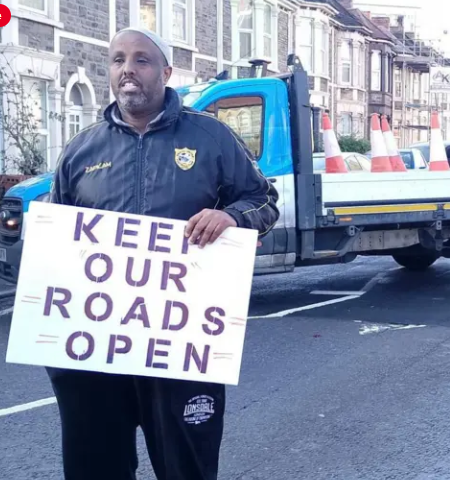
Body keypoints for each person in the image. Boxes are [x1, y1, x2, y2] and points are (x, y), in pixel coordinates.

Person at [47, 28, 280, 480]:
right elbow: (60, 239)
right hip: (99, 344)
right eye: (117, 60)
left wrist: (232, 218)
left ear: (167, 72)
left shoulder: (210, 137)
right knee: (96, 468)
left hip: (180, 341)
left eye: (141, 60)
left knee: (186, 467)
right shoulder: (81, 149)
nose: (127, 71)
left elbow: (264, 202)